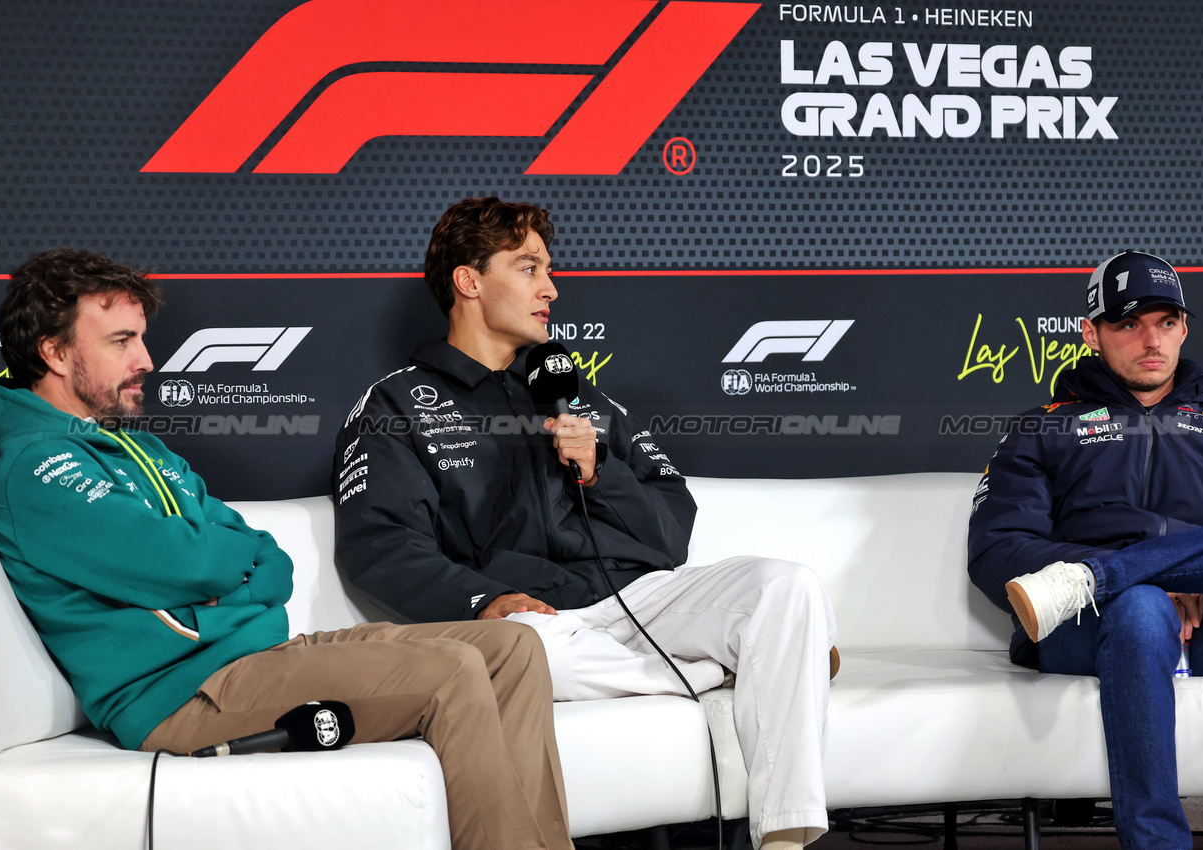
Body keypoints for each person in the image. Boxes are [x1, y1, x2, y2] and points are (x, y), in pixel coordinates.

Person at [0, 246, 574, 850]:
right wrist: (217, 568)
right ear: (54, 353)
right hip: (183, 696)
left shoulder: (142, 448)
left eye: (141, 338)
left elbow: (269, 560)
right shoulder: (34, 467)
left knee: (512, 647)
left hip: (262, 657)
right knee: (454, 671)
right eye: (121, 342)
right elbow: (183, 560)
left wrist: (220, 577)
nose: (147, 360)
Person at [333, 197, 838, 850]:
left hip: (634, 602)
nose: (551, 288)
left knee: (786, 587)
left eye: (548, 270)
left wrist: (600, 471)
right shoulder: (397, 404)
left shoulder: (578, 396)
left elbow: (670, 533)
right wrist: (484, 600)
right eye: (528, 268)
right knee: (521, 655)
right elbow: (382, 547)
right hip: (533, 625)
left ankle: (787, 837)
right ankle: (742, 663)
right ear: (468, 280)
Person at [968, 249, 1203, 850]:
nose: (1150, 341)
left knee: (1148, 588)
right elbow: (997, 550)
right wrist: (1152, 584)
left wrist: (1192, 574)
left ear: (1184, 328)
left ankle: (1105, 573)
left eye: (1165, 322)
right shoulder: (1042, 427)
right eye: (1128, 324)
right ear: (1091, 333)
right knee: (1141, 607)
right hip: (1092, 624)